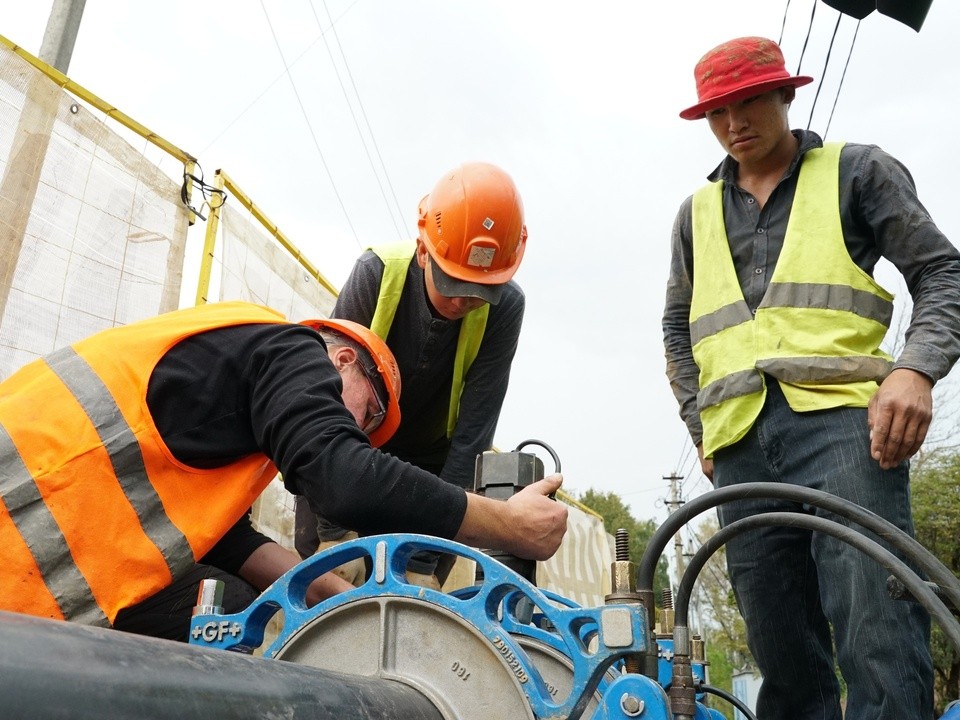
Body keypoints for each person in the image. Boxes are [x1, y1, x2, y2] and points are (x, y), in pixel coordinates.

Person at [662, 36, 960, 720]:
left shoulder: (858, 172)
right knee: (778, 643)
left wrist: (914, 370)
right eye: (717, 111)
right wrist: (699, 424)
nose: (734, 122)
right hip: (738, 445)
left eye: (748, 103)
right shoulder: (695, 215)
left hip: (848, 430)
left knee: (874, 622)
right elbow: (677, 328)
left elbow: (942, 272)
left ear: (786, 97)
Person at [0, 300, 566, 637]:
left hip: (24, 578)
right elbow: (344, 479)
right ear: (344, 359)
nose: (355, 432)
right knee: (224, 609)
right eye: (366, 416)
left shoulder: (228, 408)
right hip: (21, 522)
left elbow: (228, 542)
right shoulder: (287, 347)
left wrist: (344, 602)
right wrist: (510, 525)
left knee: (222, 592)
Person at [295, 162, 528, 589]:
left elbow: (472, 438)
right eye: (454, 283)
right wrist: (334, 536)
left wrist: (423, 557)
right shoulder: (376, 274)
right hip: (348, 456)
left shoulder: (505, 308)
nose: (464, 301)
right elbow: (320, 410)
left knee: (414, 607)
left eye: (480, 293)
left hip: (431, 473)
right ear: (424, 251)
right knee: (329, 601)